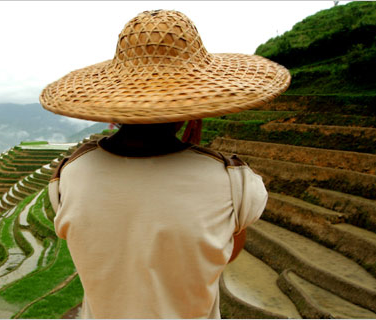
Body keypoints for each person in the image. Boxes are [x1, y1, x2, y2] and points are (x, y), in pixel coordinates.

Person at [40, 10, 290, 318]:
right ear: (193, 102)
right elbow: (225, 252)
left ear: (116, 101)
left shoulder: (69, 175)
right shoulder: (234, 182)